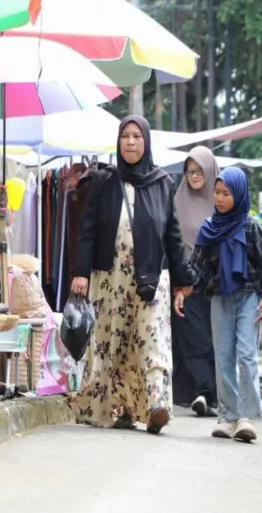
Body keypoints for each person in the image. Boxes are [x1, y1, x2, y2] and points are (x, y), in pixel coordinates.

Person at [70, 116, 193, 434]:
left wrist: (183, 280)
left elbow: (173, 236)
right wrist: (80, 272)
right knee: (114, 342)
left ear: (146, 141)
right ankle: (119, 407)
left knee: (152, 339)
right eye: (125, 136)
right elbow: (87, 230)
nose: (130, 142)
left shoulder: (162, 182)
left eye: (137, 136)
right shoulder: (103, 181)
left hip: (151, 278)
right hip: (111, 279)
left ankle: (155, 407)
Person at [187, 166, 262, 443]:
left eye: (227, 193)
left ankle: (246, 417)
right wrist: (182, 288)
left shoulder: (250, 226)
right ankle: (228, 416)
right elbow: (196, 266)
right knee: (223, 354)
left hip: (248, 297)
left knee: (246, 354)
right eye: (217, 192)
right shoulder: (209, 228)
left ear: (239, 194)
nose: (220, 198)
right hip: (219, 297)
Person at [171, 146, 221, 416]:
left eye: (199, 170)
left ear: (210, 170)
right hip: (187, 280)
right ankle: (203, 392)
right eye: (189, 171)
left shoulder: (223, 198)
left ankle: (214, 394)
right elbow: (171, 241)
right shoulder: (178, 200)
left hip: (220, 282)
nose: (193, 176)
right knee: (194, 337)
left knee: (216, 338)